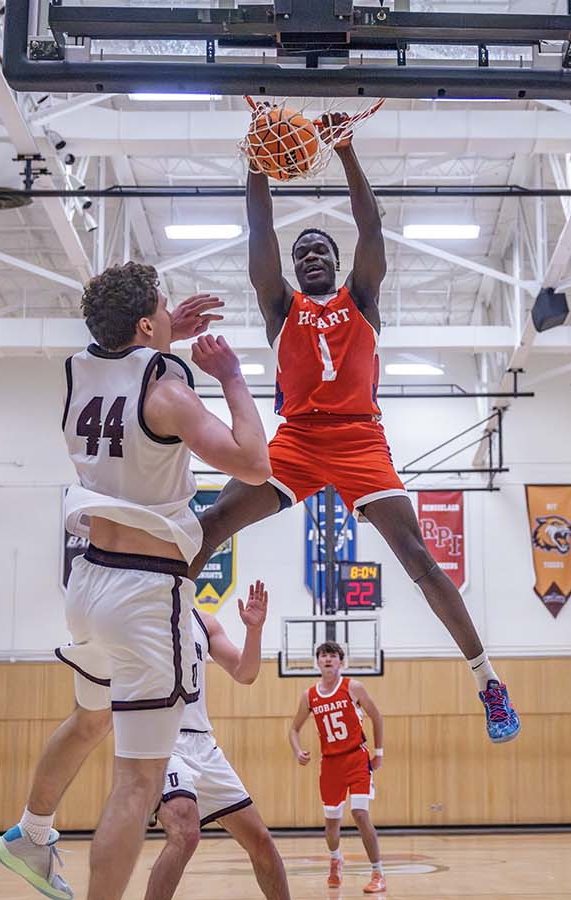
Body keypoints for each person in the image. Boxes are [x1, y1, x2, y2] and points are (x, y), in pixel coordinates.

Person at [190, 112, 520, 744]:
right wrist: (258, 161)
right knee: (209, 525)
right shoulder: (278, 306)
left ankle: (488, 683)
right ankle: (175, 625)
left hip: (361, 440)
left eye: (322, 251)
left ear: (338, 264)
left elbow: (371, 225)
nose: (311, 256)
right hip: (297, 443)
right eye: (302, 252)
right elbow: (258, 227)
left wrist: (345, 151)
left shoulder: (361, 300)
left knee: (419, 557)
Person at [0, 262, 270, 900]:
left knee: (90, 719)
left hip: (86, 582)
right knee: (138, 781)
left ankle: (32, 834)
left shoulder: (79, 370)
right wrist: (230, 377)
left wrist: (162, 339)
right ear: (146, 323)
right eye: (164, 309)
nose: (173, 313)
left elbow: (125, 373)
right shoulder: (168, 390)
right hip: (145, 594)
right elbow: (254, 463)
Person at [0, 581, 289, 900]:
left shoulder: (205, 622)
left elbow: (245, 673)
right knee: (185, 831)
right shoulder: (135, 613)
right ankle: (35, 829)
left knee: (260, 842)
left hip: (204, 745)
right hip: (159, 741)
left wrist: (254, 631)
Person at [289, 641, 387, 893]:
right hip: (331, 765)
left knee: (359, 813)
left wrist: (378, 752)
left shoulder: (353, 687)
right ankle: (335, 860)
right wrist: (298, 749)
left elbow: (376, 716)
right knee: (331, 823)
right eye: (323, 655)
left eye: (332, 655)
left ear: (341, 662)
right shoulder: (309, 696)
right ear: (318, 662)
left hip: (356, 758)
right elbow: (294, 729)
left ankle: (378, 873)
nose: (328, 659)